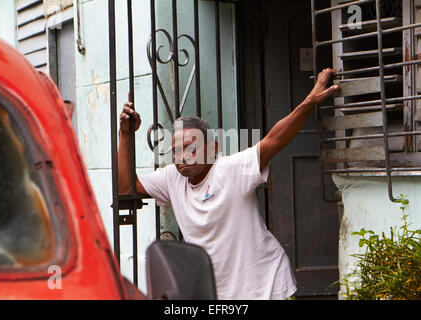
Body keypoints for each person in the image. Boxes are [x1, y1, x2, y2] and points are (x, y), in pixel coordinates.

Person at [117, 68, 339, 299]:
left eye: (191, 148)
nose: (182, 157)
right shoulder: (173, 177)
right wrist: (125, 134)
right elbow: (125, 188)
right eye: (176, 151)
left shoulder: (230, 169)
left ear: (212, 149)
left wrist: (310, 101)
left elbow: (274, 139)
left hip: (266, 288)